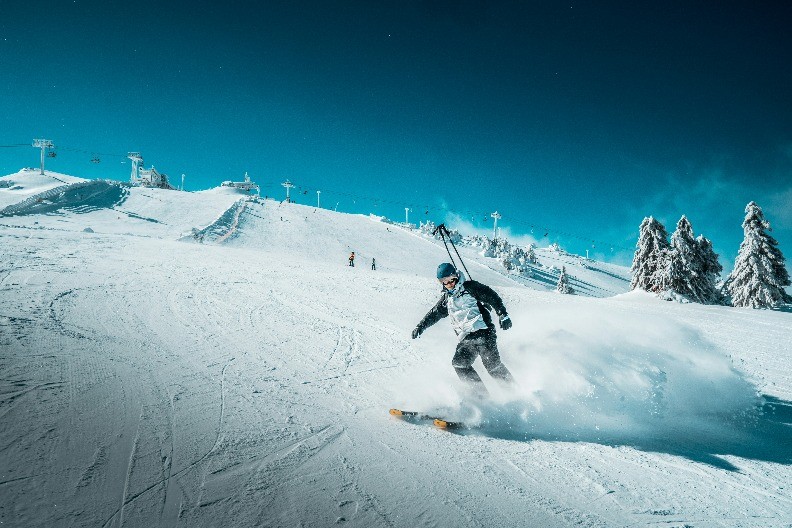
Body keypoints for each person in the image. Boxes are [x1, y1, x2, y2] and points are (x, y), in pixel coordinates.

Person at [412, 263, 514, 395]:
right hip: (467, 339)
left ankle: (515, 392)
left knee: (492, 366)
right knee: (459, 364)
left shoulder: (469, 287)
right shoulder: (447, 300)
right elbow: (434, 314)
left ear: (456, 276)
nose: (449, 284)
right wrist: (420, 326)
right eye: (445, 282)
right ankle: (481, 397)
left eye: (452, 279)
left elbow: (491, 296)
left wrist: (502, 313)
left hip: (484, 333)